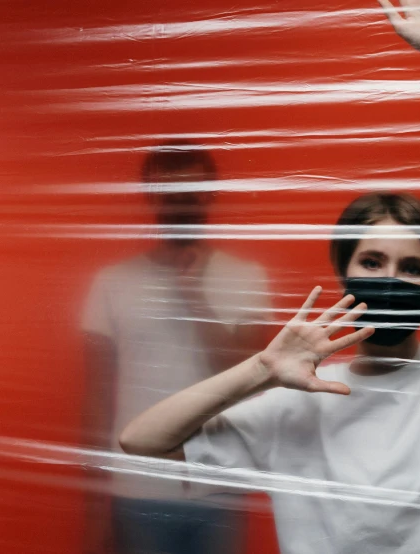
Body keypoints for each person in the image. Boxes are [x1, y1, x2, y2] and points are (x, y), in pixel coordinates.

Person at [119, 1, 420, 552]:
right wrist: (261, 370)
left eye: (410, 267)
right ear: (343, 272)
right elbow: (141, 442)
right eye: (372, 262)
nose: (390, 278)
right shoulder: (297, 398)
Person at [81, 142, 271, 554]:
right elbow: (95, 401)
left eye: (191, 191)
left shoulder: (246, 277)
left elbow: (249, 377)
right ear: (151, 196)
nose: (181, 204)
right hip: (137, 489)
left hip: (217, 486)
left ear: (211, 193)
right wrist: (95, 508)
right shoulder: (112, 283)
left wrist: (194, 297)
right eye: (170, 193)